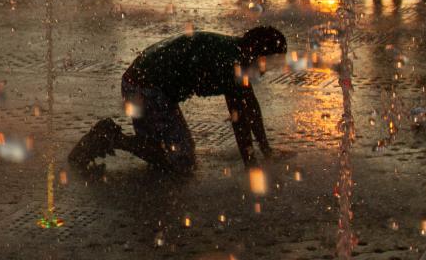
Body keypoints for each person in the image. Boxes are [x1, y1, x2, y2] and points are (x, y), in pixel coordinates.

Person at [69, 26, 288, 177]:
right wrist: (251, 166)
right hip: (146, 88)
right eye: (269, 64)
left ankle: (114, 138)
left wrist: (266, 149)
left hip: (146, 83)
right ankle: (111, 138)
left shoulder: (236, 51)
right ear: (258, 54)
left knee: (169, 153)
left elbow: (251, 106)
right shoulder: (233, 64)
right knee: (182, 162)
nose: (267, 71)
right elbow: (239, 119)